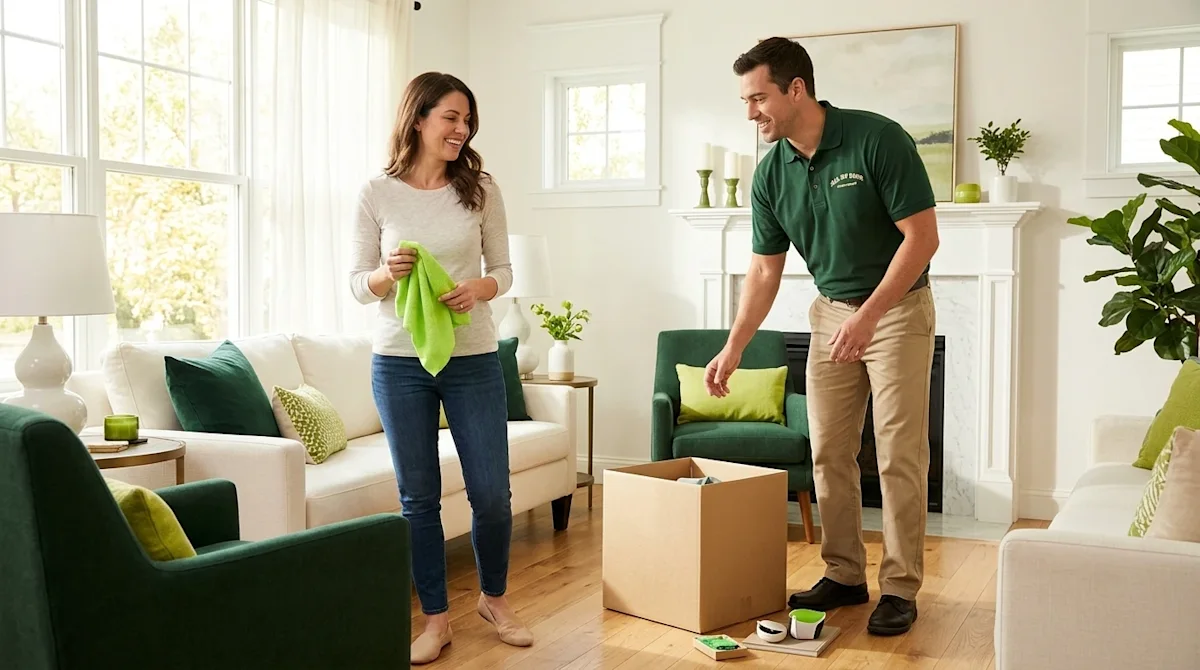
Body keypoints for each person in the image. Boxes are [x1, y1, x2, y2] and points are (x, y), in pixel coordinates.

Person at [708, 38, 940, 636]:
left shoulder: (876, 139)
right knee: (829, 451)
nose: (750, 112)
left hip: (898, 311)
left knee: (896, 453)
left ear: (796, 89)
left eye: (758, 97)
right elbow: (764, 269)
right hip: (830, 313)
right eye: (744, 100)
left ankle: (900, 586)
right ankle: (844, 572)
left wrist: (869, 318)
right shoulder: (770, 172)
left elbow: (921, 239)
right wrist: (734, 345)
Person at [349, 71, 533, 664]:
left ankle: (495, 600)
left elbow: (505, 271)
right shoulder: (377, 193)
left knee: (491, 493)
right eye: (451, 117)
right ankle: (435, 619)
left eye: (467, 119)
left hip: (474, 357)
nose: (462, 129)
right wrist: (388, 274)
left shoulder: (479, 188)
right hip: (399, 362)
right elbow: (358, 285)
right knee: (418, 498)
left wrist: (478, 288)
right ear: (419, 119)